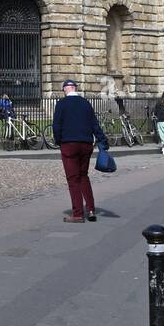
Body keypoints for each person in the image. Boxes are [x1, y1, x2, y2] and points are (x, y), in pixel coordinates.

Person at [52, 78, 108, 223]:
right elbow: (94, 124)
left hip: (69, 144)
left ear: (65, 89)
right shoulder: (85, 103)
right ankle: (90, 209)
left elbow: (56, 125)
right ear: (75, 88)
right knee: (84, 176)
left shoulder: (61, 104)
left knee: (73, 179)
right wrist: (102, 140)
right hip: (86, 143)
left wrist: (58, 140)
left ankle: (77, 213)